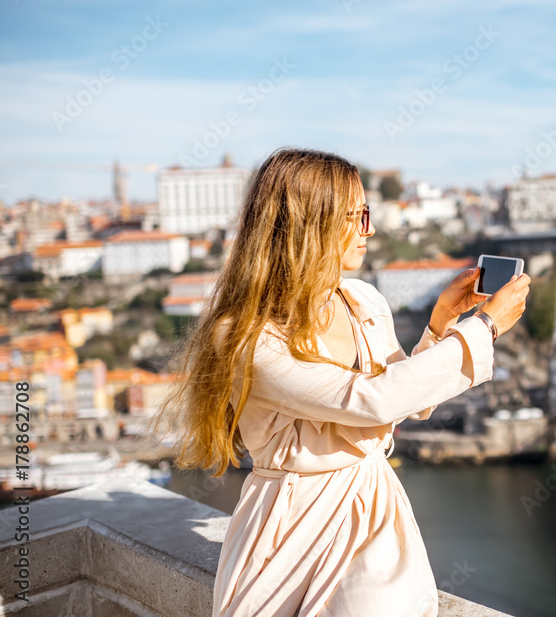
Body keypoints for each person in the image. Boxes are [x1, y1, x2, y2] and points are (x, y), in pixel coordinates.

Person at [146, 147, 530, 616]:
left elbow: (407, 401)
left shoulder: (363, 300)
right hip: (290, 525)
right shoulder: (249, 336)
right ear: (312, 223)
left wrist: (439, 325)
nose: (369, 229)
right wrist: (483, 328)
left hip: (371, 510)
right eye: (357, 215)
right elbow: (371, 401)